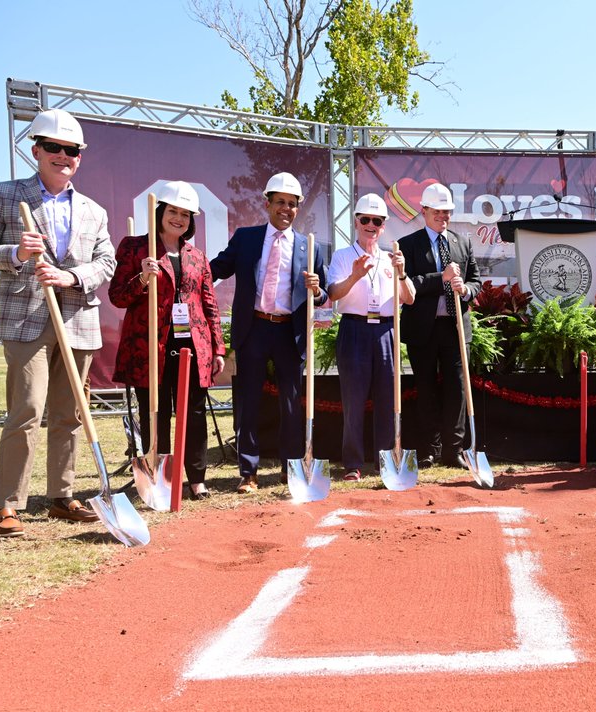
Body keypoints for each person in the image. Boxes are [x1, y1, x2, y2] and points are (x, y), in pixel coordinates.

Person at [0, 109, 116, 536]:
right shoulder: (7, 194)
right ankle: (6, 504)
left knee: (69, 415)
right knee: (27, 410)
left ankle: (62, 497)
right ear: (37, 150)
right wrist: (15, 253)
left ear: (80, 158)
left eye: (72, 150)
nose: (63, 156)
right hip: (26, 318)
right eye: (54, 147)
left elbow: (107, 263)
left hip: (78, 320)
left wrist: (71, 276)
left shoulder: (93, 210)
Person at [210, 172, 327, 493]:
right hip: (254, 329)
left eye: (292, 204)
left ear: (297, 208)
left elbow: (325, 293)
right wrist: (180, 267)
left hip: (290, 333)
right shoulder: (246, 238)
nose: (286, 209)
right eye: (280, 203)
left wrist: (317, 291)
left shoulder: (309, 246)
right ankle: (248, 472)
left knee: (290, 403)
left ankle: (291, 470)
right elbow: (216, 268)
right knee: (247, 401)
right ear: (268, 204)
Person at [110, 181, 226, 500]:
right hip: (150, 346)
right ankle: (159, 479)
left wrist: (217, 346)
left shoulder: (197, 256)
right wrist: (141, 278)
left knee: (194, 413)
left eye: (185, 214)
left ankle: (197, 479)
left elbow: (209, 302)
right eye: (173, 211)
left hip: (192, 345)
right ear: (160, 212)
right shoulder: (135, 248)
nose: (179, 218)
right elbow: (117, 296)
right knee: (155, 412)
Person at [326, 193, 414, 480]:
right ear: (356, 222)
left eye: (377, 221)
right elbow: (334, 295)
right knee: (353, 399)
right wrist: (354, 276)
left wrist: (401, 273)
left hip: (387, 329)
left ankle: (385, 460)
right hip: (354, 328)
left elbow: (410, 298)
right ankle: (352, 464)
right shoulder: (342, 256)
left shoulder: (392, 258)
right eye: (366, 219)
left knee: (388, 399)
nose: (371, 225)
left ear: (384, 226)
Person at [398, 183, 482, 469]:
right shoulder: (408, 245)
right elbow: (408, 286)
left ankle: (454, 449)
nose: (443, 217)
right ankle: (429, 449)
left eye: (447, 212)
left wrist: (466, 289)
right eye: (437, 212)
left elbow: (476, 280)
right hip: (423, 328)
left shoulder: (463, 242)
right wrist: (441, 277)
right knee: (425, 388)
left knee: (458, 389)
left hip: (456, 327)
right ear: (424, 211)